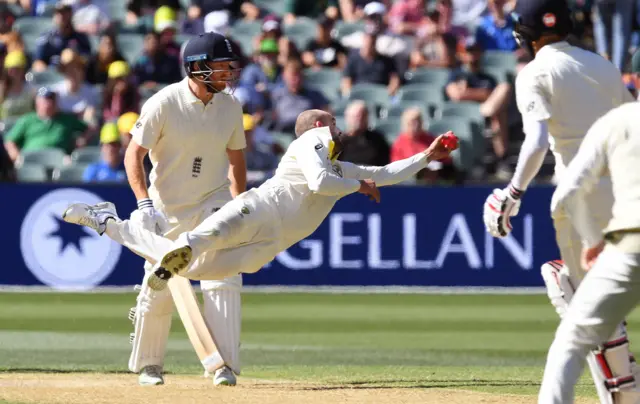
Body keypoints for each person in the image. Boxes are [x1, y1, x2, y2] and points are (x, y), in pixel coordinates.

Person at [65, 109, 456, 286]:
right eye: (334, 122)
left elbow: (386, 174)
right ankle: (182, 243)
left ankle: (110, 224)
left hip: (275, 241)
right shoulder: (313, 138)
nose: (339, 129)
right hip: (260, 207)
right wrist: (359, 186)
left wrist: (427, 156)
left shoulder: (344, 169)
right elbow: (320, 184)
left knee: (187, 270)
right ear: (319, 126)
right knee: (205, 238)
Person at [481, 1, 640, 403]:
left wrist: (511, 193)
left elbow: (535, 142)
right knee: (589, 288)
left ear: (524, 35)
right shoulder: (603, 66)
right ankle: (623, 386)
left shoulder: (534, 72)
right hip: (623, 192)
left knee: (571, 287)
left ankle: (624, 391)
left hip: (580, 196)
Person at [79, 32, 246, 387]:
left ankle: (223, 365)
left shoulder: (231, 106)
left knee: (224, 275)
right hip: (167, 208)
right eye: (221, 67)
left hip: (213, 201)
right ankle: (150, 365)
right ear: (198, 68)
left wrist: (240, 204)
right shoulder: (163, 103)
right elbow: (132, 155)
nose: (229, 73)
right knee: (160, 286)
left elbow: (236, 161)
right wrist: (144, 203)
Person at [537, 95, 640, 404]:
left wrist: (593, 240)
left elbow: (569, 193)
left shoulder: (616, 120)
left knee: (571, 341)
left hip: (630, 246)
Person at [445, 38, 511, 173]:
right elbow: (456, 95)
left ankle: (502, 158)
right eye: (469, 51)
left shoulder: (488, 78)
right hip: (464, 115)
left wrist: (467, 92)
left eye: (475, 51)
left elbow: (496, 96)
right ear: (462, 54)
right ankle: (486, 114)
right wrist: (484, 94)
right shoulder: (456, 74)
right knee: (497, 115)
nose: (472, 55)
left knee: (505, 89)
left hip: (489, 113)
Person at [4, 87, 89, 162]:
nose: (48, 103)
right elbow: (10, 141)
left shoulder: (66, 119)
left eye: (51, 99)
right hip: (31, 160)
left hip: (59, 160)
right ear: (37, 102)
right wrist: (17, 156)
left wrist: (83, 139)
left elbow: (90, 128)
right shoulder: (27, 120)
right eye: (44, 100)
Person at [391, 107, 454, 183]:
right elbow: (396, 167)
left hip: (435, 181)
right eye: (412, 122)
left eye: (418, 121)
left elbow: (446, 160)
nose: (416, 125)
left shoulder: (430, 139)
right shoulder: (399, 143)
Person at [342, 24, 401, 97]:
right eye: (368, 37)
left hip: (380, 96)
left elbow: (394, 80)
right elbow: (346, 81)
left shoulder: (386, 60)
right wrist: (350, 94)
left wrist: (388, 93)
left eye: (373, 37)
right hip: (359, 96)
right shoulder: (353, 59)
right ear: (364, 38)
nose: (370, 40)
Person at [271, 60, 329, 133]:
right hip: (283, 133)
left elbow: (327, 113)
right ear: (284, 76)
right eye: (292, 77)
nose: (296, 80)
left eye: (298, 76)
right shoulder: (276, 95)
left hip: (308, 134)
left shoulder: (314, 95)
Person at [32, 2, 91, 72]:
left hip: (73, 75)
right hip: (52, 74)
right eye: (58, 13)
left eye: (64, 13)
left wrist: (74, 57)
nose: (61, 16)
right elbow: (38, 61)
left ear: (70, 14)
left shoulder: (80, 37)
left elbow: (87, 60)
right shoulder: (47, 37)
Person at [52, 48, 99, 126]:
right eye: (69, 69)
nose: (73, 73)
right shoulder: (55, 92)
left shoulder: (91, 92)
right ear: (64, 72)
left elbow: (90, 121)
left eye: (77, 68)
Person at [338, 100, 389, 166]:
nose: (359, 119)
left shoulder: (378, 140)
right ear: (347, 117)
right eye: (356, 116)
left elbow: (385, 165)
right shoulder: (339, 141)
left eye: (363, 115)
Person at [0, 50, 34, 122]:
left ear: (23, 70)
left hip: (26, 128)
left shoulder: (31, 89)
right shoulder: (1, 89)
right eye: (11, 69)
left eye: (18, 69)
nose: (14, 72)